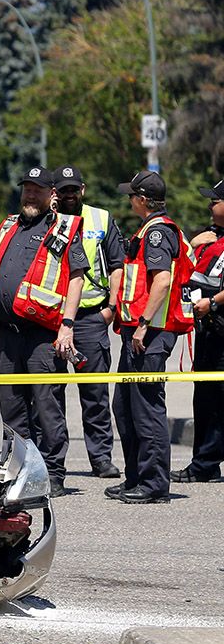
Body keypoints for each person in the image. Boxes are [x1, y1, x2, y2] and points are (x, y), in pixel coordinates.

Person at [0, 167, 88, 498]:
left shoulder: (63, 228)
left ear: (51, 193)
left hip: (43, 335)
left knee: (45, 404)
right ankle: (20, 469)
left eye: (37, 189)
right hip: (7, 334)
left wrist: (67, 325)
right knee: (11, 406)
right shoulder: (8, 226)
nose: (30, 195)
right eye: (27, 188)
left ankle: (53, 472)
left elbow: (77, 278)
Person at [105, 170, 195, 505]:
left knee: (146, 409)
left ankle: (155, 484)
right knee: (125, 407)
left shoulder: (157, 233)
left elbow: (161, 282)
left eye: (132, 195)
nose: (129, 200)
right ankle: (136, 477)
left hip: (151, 333)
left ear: (142, 199)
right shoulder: (147, 230)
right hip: (138, 332)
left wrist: (142, 324)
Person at [52, 165, 125, 479]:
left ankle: (101, 458)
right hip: (52, 320)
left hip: (91, 318)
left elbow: (118, 264)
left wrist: (111, 309)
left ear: (82, 189)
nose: (70, 194)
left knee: (95, 393)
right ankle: (52, 462)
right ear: (54, 192)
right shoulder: (45, 219)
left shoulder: (101, 218)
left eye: (74, 189)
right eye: (63, 189)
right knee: (50, 394)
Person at [171, 178, 224, 483]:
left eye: (215, 200)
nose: (209, 205)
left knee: (217, 400)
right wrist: (193, 245)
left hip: (219, 326)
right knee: (205, 401)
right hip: (208, 333)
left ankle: (205, 462)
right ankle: (204, 464)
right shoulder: (211, 238)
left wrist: (213, 304)